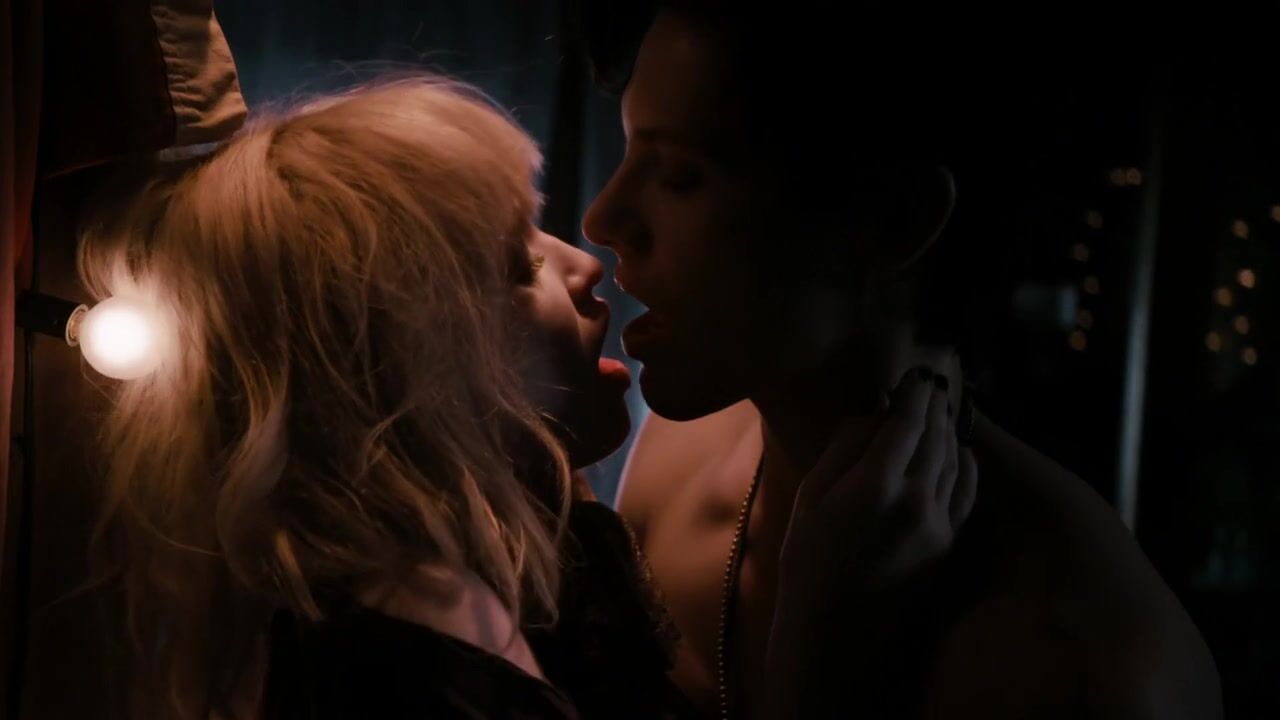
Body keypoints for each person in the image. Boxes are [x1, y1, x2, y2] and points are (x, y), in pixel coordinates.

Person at [77, 76, 966, 720]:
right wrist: (821, 667)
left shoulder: (515, 572)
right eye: (515, 264)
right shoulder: (412, 678)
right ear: (408, 369)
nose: (587, 259)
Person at [580, 3, 1224, 718]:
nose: (602, 219)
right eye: (628, 151)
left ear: (893, 221)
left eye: (678, 175)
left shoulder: (1082, 664)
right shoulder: (675, 458)